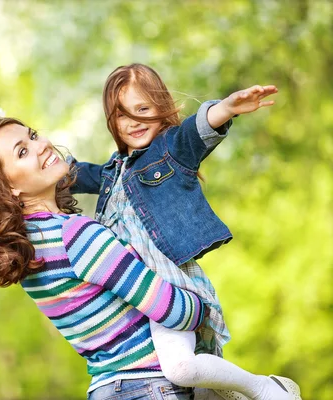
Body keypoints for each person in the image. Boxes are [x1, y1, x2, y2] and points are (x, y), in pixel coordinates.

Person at [0, 117, 299, 399]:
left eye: (33, 135)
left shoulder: (26, 257)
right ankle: (264, 389)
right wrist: (200, 306)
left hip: (105, 388)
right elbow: (170, 311)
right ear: (7, 187)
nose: (41, 146)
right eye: (22, 151)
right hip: (149, 385)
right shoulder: (75, 235)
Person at [70, 63, 300, 400]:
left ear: (160, 109)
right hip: (134, 296)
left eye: (143, 110)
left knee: (179, 368)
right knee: (193, 385)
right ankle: (227, 394)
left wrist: (227, 108)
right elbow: (71, 174)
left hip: (169, 287)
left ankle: (265, 387)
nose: (133, 121)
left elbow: (196, 132)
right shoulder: (111, 172)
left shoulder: (169, 151)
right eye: (122, 115)